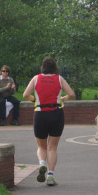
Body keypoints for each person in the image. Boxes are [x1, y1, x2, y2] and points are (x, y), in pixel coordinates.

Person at [22, 56, 75, 186]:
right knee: (52, 147)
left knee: (41, 146)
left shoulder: (36, 78)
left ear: (43, 66)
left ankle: (42, 164)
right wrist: (63, 98)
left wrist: (34, 100)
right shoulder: (59, 79)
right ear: (54, 67)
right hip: (56, 113)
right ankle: (50, 176)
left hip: (40, 114)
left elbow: (25, 95)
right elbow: (72, 94)